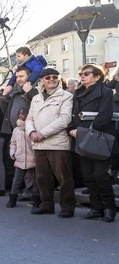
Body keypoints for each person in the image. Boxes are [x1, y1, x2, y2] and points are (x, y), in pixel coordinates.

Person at [69, 64, 116, 222]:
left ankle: (110, 208)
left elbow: (104, 117)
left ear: (97, 77)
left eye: (86, 74)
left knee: (100, 175)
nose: (82, 76)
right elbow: (73, 115)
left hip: (99, 137)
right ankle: (96, 208)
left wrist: (81, 131)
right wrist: (72, 129)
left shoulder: (106, 92)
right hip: (82, 137)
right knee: (88, 175)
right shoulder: (78, 92)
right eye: (81, 73)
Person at [25, 68, 75, 217]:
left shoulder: (66, 96)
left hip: (58, 143)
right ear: (42, 80)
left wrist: (42, 133)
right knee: (42, 178)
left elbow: (65, 119)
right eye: (48, 77)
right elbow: (29, 118)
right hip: (39, 143)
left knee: (63, 177)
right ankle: (46, 204)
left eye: (54, 77)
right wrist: (32, 132)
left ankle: (67, 207)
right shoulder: (36, 98)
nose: (51, 79)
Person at [7, 108, 36, 208]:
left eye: (23, 114)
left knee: (36, 180)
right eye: (19, 114)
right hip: (20, 159)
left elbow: (35, 143)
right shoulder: (16, 130)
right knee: (16, 180)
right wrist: (13, 153)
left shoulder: (33, 128)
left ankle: (36, 199)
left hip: (32, 158)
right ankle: (12, 200)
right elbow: (13, 143)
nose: (20, 116)